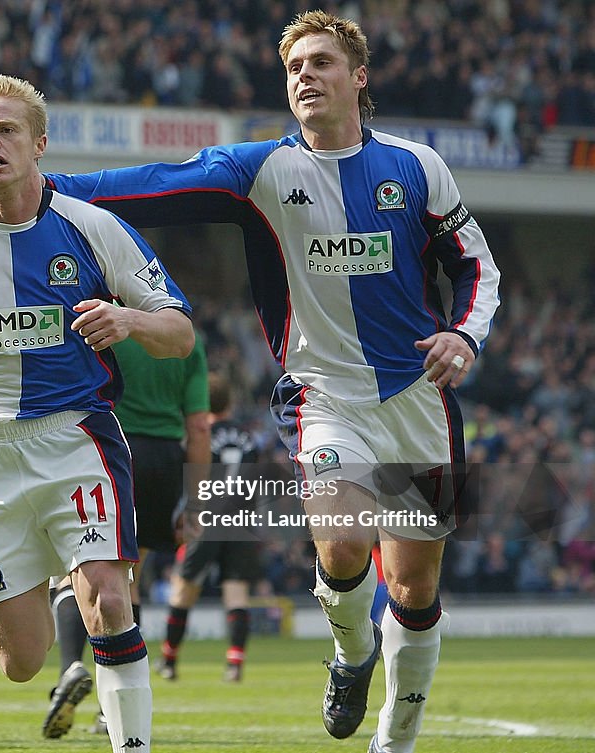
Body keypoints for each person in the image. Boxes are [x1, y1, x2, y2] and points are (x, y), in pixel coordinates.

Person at [46, 11, 501, 753]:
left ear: (358, 77)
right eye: (294, 67)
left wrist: (464, 332)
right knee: (344, 539)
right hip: (322, 395)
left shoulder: (419, 168)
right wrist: (49, 187)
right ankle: (353, 656)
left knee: (416, 589)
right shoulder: (260, 170)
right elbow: (157, 183)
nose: (304, 76)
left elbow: (476, 266)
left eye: (320, 62)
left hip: (420, 402)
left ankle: (396, 739)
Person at [0, 74, 195, 753]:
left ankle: (131, 742)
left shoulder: (93, 226)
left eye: (7, 129)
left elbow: (180, 333)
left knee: (109, 598)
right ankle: (57, 605)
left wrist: (129, 318)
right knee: (20, 659)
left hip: (75, 435)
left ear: (39, 143)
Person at [43, 332, 210, 739]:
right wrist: (195, 502)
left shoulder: (105, 329)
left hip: (108, 447)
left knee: (72, 570)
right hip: (166, 462)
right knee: (128, 580)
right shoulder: (187, 340)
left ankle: (70, 667)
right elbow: (200, 428)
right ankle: (111, 707)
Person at [156, 371, 262, 683]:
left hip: (207, 517)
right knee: (236, 592)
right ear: (230, 400)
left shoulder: (201, 434)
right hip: (242, 519)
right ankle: (234, 664)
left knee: (184, 588)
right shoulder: (249, 438)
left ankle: (169, 660)